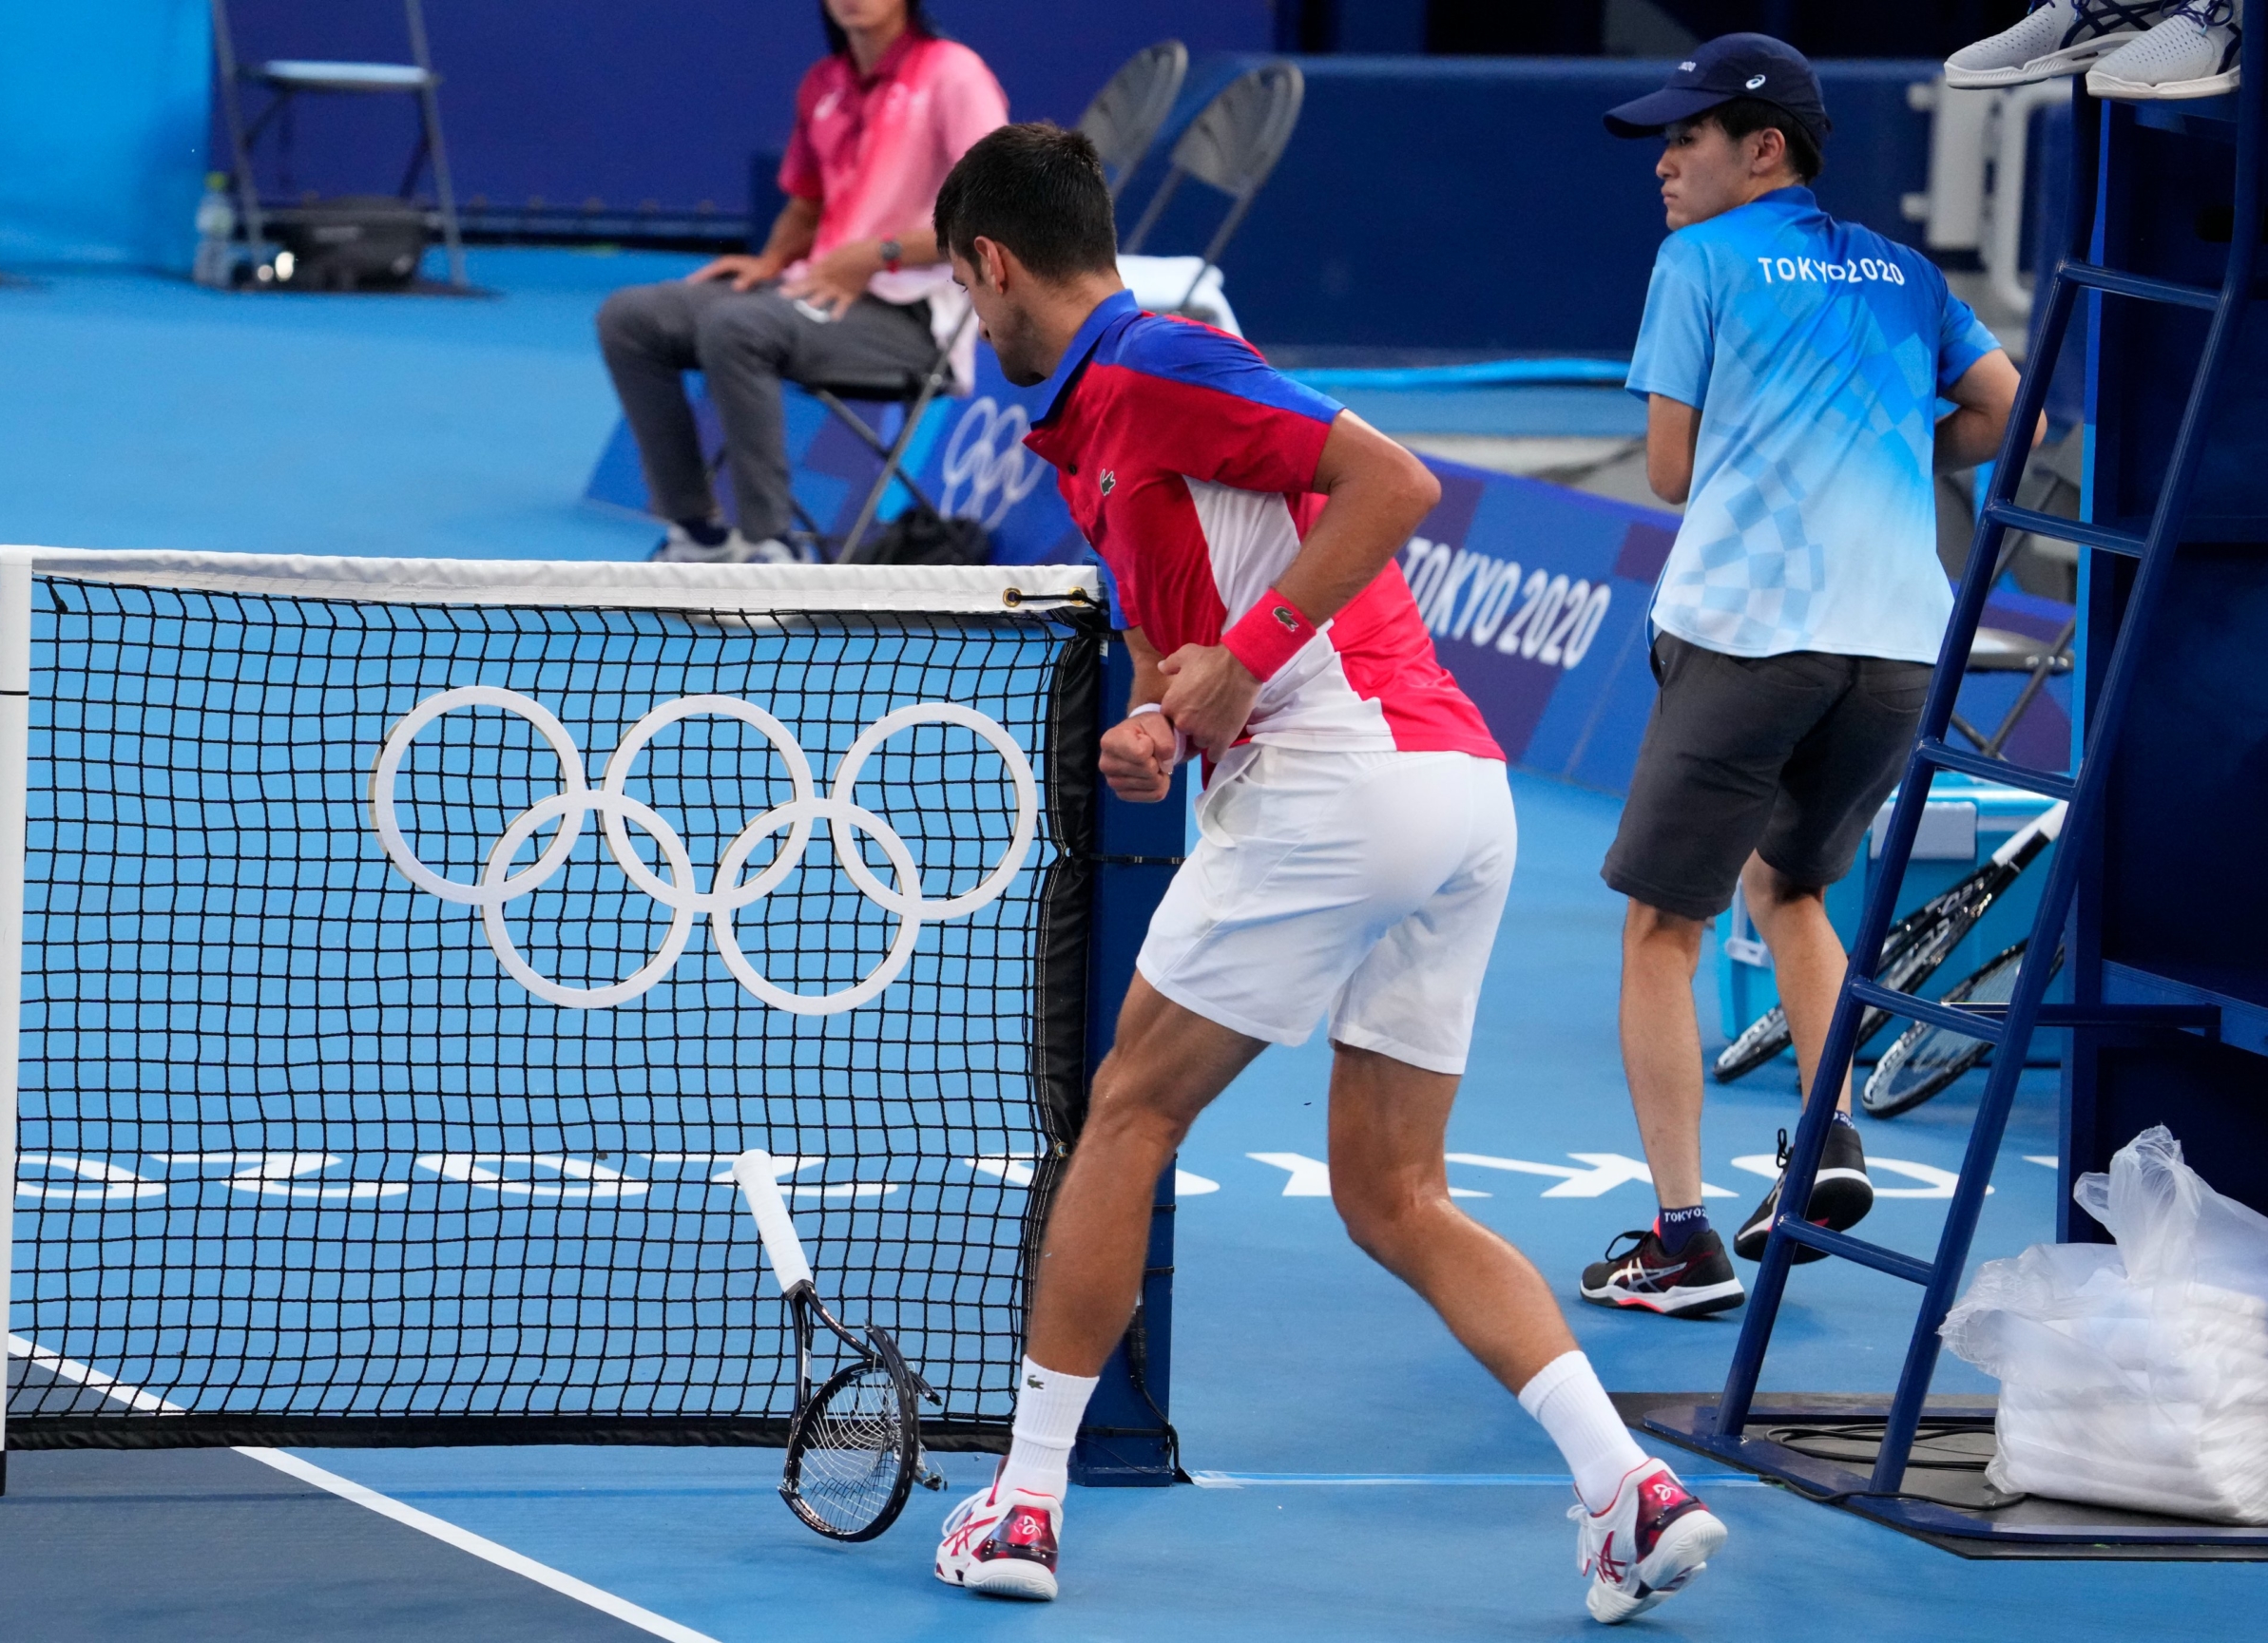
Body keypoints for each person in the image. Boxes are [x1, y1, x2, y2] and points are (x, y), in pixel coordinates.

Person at [923, 122, 1730, 1626]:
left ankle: (1023, 1497)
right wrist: (1165, 718)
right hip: (1448, 800)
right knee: (1393, 1189)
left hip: (1340, 787)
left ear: (991, 262)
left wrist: (1246, 661)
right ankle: (1632, 1490)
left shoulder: (1161, 362)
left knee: (1127, 1113)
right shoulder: (1099, 428)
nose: (977, 322)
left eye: (970, 295)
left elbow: (1394, 482)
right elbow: (1202, 643)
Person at [1578, 36, 2035, 1318]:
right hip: (1896, 646)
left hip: (1749, 636)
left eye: (1687, 138)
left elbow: (1669, 472)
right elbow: (2017, 416)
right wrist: (1890, 445)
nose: (1664, 162)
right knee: (1790, 885)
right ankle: (1828, 1143)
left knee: (1662, 930)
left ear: (1762, 147)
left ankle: (1678, 1239)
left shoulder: (1698, 263)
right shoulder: (1901, 272)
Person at [594, 1, 1005, 564]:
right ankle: (697, 534)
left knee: (735, 326)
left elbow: (994, 209)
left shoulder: (954, 73)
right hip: (815, 292)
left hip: (911, 317)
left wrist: (878, 254)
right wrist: (767, 262)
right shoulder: (825, 83)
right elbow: (808, 201)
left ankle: (772, 549)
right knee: (631, 318)